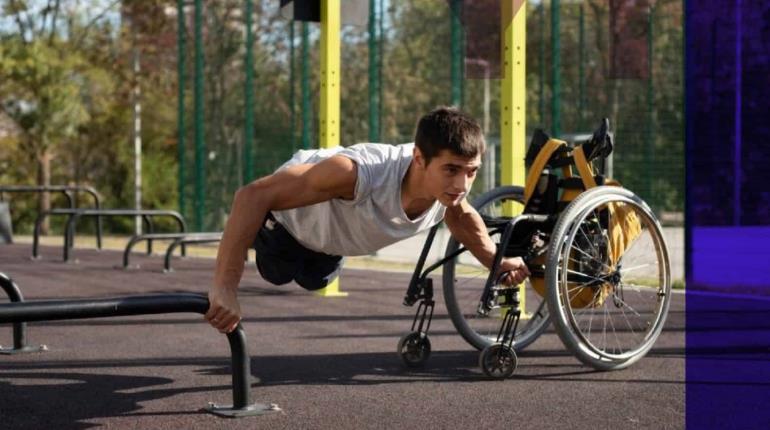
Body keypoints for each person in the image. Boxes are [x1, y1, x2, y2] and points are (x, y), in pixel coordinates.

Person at [205, 106, 530, 333]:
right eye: (451, 170)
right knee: (277, 273)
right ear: (419, 158)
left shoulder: (447, 194)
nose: (462, 185)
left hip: (331, 243)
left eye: (471, 172)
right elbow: (250, 196)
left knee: (316, 280)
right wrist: (225, 287)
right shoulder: (356, 174)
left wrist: (495, 261)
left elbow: (462, 218)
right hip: (289, 226)